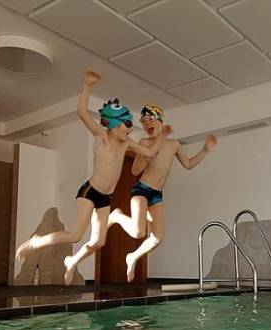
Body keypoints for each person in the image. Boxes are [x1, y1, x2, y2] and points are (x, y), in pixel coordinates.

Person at [15, 71, 163, 285]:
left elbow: (149, 153)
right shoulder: (102, 137)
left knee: (98, 242)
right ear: (114, 125)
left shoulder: (126, 144)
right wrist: (87, 85)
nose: (130, 130)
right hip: (90, 192)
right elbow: (82, 112)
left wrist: (162, 135)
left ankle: (72, 262)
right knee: (75, 235)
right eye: (127, 125)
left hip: (106, 197)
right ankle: (35, 243)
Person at [64, 104, 216, 284]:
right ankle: (117, 216)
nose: (146, 124)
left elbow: (188, 164)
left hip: (157, 194)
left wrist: (205, 150)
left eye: (150, 119)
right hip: (141, 190)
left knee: (157, 238)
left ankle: (133, 257)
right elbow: (135, 171)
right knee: (138, 232)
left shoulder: (174, 144)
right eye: (143, 121)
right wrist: (146, 157)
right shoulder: (144, 143)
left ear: (160, 120)